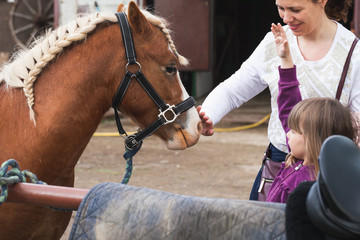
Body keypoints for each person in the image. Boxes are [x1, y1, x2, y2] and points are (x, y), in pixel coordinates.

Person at [197, 0, 360, 200]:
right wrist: (208, 114)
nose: (286, 18)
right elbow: (232, 90)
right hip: (278, 165)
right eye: (281, 8)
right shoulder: (275, 41)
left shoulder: (353, 53)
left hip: (327, 171)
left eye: (295, 10)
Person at [266, 23, 356, 203]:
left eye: (294, 131)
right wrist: (286, 61)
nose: (288, 133)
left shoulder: (306, 187)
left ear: (312, 138)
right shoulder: (304, 165)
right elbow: (288, 107)